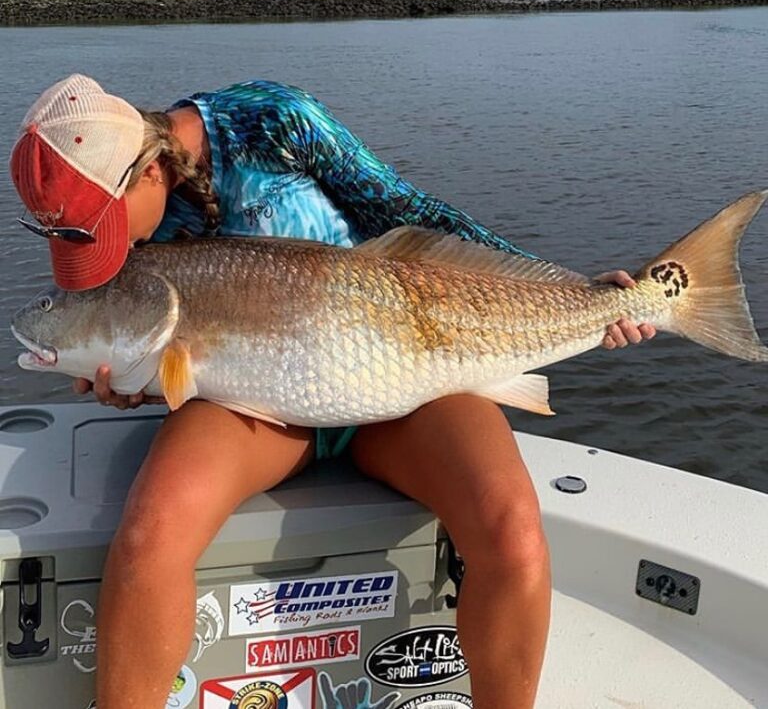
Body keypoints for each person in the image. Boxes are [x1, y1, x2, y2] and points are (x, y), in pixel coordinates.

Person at [10, 74, 655, 709]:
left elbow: (414, 216)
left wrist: (580, 293)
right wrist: (134, 383)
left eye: (108, 235)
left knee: (511, 527)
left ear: (146, 173)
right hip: (251, 411)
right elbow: (155, 347)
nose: (115, 256)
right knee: (152, 533)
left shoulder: (275, 121)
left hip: (408, 374)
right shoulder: (133, 225)